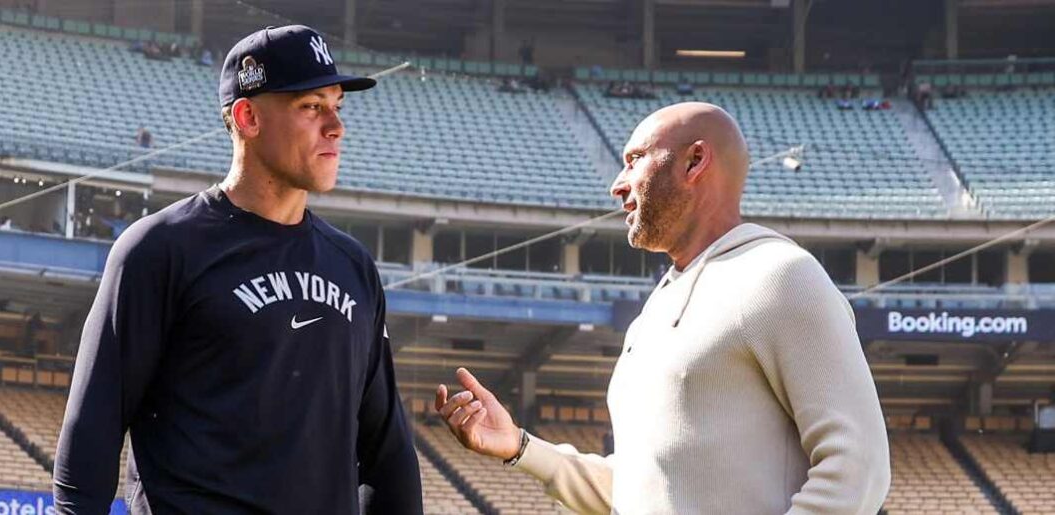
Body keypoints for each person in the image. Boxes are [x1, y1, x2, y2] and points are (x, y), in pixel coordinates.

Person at [435, 102, 890, 514]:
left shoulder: (782, 274)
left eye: (634, 160)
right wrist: (520, 446)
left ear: (694, 161)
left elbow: (858, 467)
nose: (618, 185)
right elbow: (643, 489)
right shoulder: (653, 311)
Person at [54, 25, 422, 514]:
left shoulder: (352, 265)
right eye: (312, 107)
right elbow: (92, 431)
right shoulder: (160, 249)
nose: (336, 126)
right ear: (248, 116)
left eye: (338, 105)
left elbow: (385, 451)